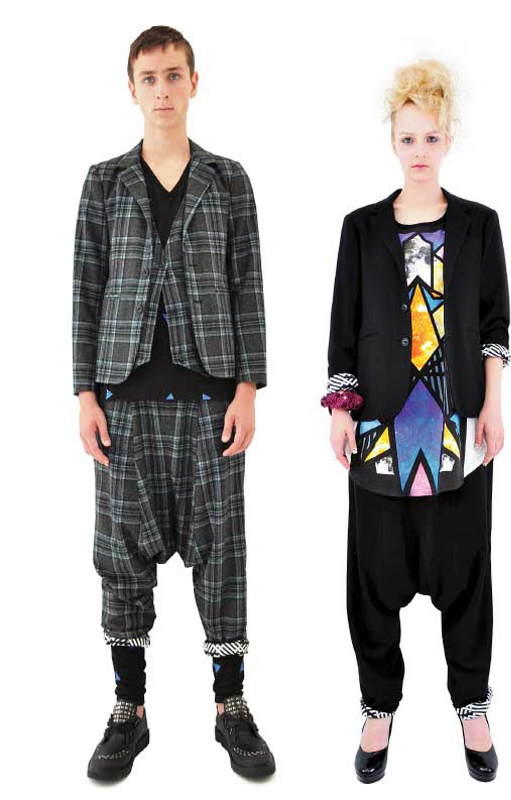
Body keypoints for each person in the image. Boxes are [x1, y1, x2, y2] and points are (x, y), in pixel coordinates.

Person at [73, 25, 275, 781]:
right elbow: (86, 289)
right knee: (120, 560)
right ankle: (129, 709)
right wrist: (85, 393)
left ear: (195, 82)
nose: (162, 89)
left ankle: (232, 706)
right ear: (132, 89)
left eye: (173, 75)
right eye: (149, 78)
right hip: (123, 404)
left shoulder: (228, 180)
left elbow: (248, 285)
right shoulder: (104, 182)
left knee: (222, 556)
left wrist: (248, 387)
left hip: (211, 402)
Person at [321, 59, 510, 784]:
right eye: (408, 138)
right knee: (373, 574)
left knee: (466, 569)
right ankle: (378, 707)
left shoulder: (479, 226)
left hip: (457, 426)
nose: (420, 150)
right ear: (392, 141)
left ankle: (472, 705)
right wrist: (341, 410)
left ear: (449, 138)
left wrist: (493, 404)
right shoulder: (361, 228)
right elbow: (342, 329)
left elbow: (493, 324)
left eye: (432, 137)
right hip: (379, 430)